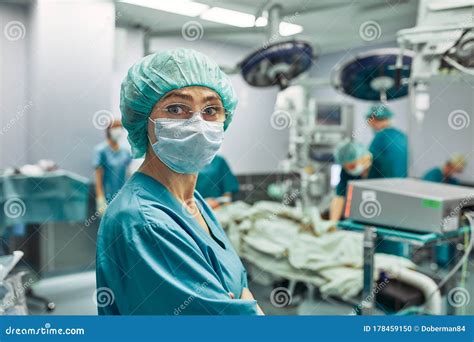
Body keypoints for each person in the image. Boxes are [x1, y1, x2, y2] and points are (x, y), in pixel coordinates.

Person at [96, 48, 262, 315]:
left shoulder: (192, 202)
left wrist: (239, 298)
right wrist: (240, 300)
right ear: (143, 120)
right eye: (176, 108)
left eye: (211, 110)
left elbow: (238, 289)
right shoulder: (143, 221)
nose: (197, 123)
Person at [93, 120, 132, 213]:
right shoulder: (101, 151)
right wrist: (100, 199)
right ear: (108, 130)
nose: (118, 130)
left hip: (123, 197)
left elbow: (128, 174)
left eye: (120, 127)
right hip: (107, 198)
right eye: (115, 127)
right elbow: (98, 177)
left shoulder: (125, 152)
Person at [330, 141, 373, 221]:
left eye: (352, 166)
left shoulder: (378, 168)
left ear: (364, 157)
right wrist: (333, 222)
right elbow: (339, 197)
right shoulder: (346, 172)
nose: (349, 170)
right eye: (345, 167)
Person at [366, 104, 408, 179]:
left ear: (373, 120)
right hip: (404, 182)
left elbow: (370, 164)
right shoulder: (402, 135)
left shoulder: (380, 138)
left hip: (386, 183)